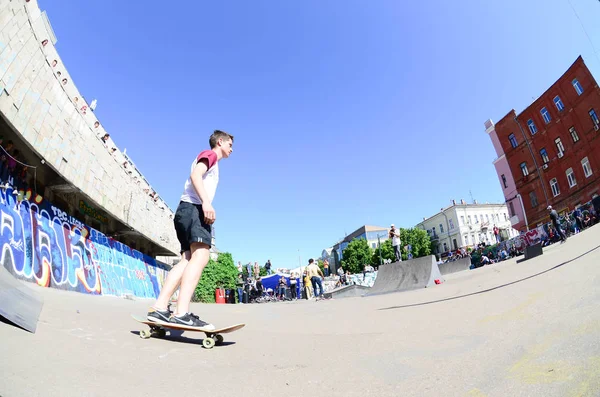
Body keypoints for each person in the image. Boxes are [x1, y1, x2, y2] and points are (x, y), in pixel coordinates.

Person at [146, 130, 234, 329]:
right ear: (220, 142)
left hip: (184, 211)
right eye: (229, 144)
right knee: (201, 256)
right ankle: (181, 312)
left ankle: (159, 307)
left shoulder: (212, 161)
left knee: (187, 259)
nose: (232, 148)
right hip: (194, 210)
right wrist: (206, 203)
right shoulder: (210, 155)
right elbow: (195, 175)